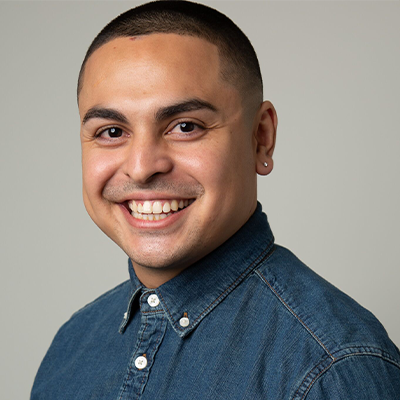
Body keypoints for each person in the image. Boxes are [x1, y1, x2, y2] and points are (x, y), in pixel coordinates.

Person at [31, 1, 400, 399]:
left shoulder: (333, 368)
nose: (140, 168)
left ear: (261, 137)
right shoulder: (70, 347)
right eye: (111, 131)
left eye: (185, 126)